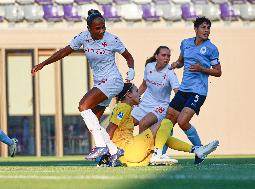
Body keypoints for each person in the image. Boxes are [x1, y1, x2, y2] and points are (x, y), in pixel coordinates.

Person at [31, 9, 135, 165]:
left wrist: (131, 70)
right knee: (93, 122)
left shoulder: (112, 39)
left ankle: (100, 146)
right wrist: (43, 63)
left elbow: (128, 57)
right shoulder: (83, 38)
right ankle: (114, 151)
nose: (101, 31)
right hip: (100, 83)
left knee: (83, 105)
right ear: (89, 29)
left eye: (103, 27)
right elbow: (63, 52)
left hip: (113, 81)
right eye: (97, 28)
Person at [102, 83, 218, 167]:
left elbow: (119, 128)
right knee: (166, 122)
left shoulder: (125, 108)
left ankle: (196, 150)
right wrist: (105, 154)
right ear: (129, 94)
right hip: (130, 150)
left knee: (161, 135)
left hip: (128, 157)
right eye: (137, 91)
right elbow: (110, 129)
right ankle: (158, 153)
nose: (140, 94)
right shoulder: (123, 107)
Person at [167, 17, 222, 164]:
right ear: (196, 29)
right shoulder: (185, 43)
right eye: (203, 27)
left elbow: (218, 72)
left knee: (182, 121)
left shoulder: (211, 48)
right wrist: (175, 64)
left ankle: (199, 150)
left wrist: (201, 69)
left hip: (198, 91)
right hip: (183, 89)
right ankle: (161, 155)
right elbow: (181, 61)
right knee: (168, 121)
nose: (206, 30)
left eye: (208, 28)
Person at [131, 46, 179, 133]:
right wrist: (135, 98)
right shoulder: (149, 66)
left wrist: (179, 108)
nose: (166, 58)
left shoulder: (170, 73)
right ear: (156, 56)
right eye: (163, 55)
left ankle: (141, 146)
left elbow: (177, 93)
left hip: (160, 106)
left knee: (143, 124)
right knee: (128, 122)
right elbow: (144, 85)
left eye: (168, 56)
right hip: (145, 103)